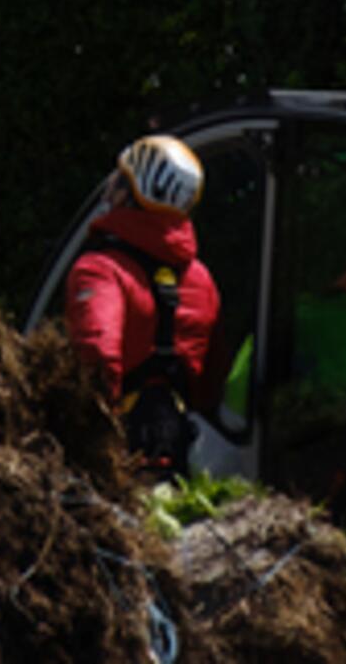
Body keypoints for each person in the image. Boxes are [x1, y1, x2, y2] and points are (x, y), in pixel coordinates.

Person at [65, 135, 221, 470]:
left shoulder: (99, 270)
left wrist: (85, 443)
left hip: (121, 445)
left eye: (119, 179)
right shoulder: (201, 280)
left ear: (133, 193)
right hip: (179, 439)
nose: (109, 189)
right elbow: (208, 378)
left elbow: (96, 358)